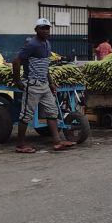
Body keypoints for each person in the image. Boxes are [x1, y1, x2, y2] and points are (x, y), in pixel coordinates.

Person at [13, 18, 75, 154]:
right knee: (26, 115)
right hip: (32, 84)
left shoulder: (47, 44)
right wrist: (18, 81)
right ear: (36, 30)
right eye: (43, 28)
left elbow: (45, 66)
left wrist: (51, 82)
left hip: (44, 85)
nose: (46, 31)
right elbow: (16, 61)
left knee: (52, 111)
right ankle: (20, 144)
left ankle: (57, 142)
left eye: (47, 28)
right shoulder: (32, 44)